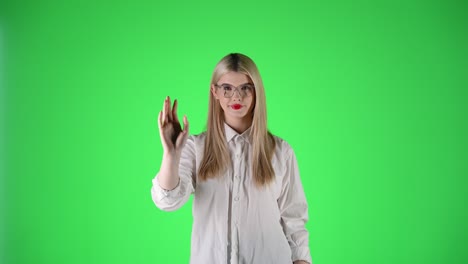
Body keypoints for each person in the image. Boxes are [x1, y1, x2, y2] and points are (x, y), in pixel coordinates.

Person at [151, 53, 312, 264]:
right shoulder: (195, 148)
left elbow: (294, 220)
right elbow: (168, 201)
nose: (236, 97)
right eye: (227, 88)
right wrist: (171, 155)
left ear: (257, 92)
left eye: (245, 88)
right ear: (215, 91)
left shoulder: (281, 152)